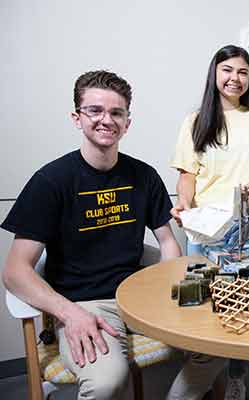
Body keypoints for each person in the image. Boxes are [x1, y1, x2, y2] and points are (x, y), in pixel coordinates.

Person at [1, 70, 184, 400]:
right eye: (95, 110)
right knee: (106, 382)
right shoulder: (51, 181)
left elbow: (168, 242)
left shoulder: (144, 176)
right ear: (77, 118)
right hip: (85, 303)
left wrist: (165, 289)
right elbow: (15, 272)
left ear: (127, 122)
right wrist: (70, 314)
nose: (106, 120)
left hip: (139, 296)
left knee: (217, 343)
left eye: (116, 112)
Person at [170, 45, 249, 400]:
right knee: (202, 305)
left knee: (244, 302)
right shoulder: (195, 120)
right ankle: (202, 379)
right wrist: (184, 204)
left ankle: (236, 377)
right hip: (205, 227)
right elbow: (187, 175)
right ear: (215, 74)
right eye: (228, 70)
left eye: (243, 72)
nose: (235, 78)